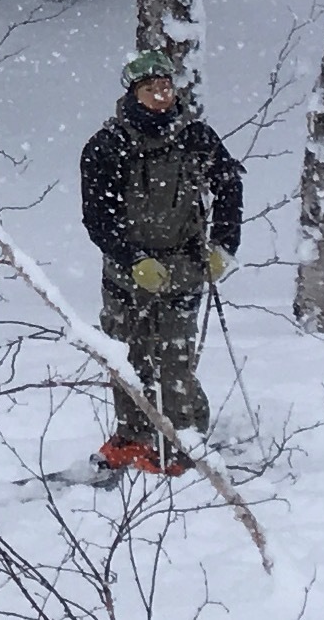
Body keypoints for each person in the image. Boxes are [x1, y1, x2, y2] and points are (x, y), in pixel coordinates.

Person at [78, 49, 244, 477]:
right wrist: (132, 259)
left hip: (184, 268)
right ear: (133, 92)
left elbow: (228, 186)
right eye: (151, 89)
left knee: (174, 357)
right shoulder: (107, 145)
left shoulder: (196, 137)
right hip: (125, 274)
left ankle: (181, 439)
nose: (161, 95)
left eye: (166, 87)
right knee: (126, 357)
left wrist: (224, 247)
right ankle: (132, 435)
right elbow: (97, 217)